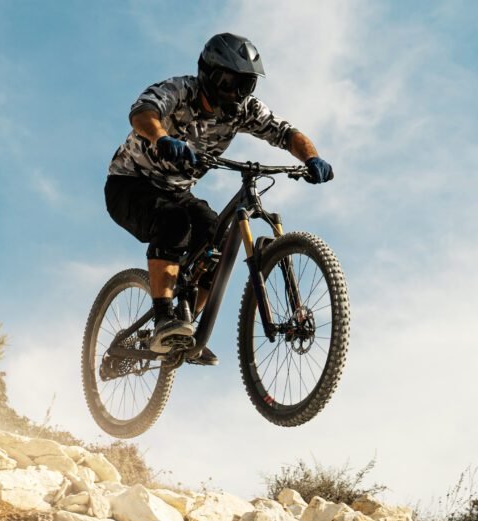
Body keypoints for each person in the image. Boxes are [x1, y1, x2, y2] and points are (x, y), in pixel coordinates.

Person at [105, 33, 333, 365]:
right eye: (230, 83)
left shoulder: (244, 111)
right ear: (209, 76)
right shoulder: (180, 91)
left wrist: (311, 157)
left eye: (246, 85)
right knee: (173, 223)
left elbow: (286, 133)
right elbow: (142, 113)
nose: (238, 93)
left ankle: (186, 330)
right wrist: (161, 137)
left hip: (176, 192)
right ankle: (164, 317)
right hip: (129, 184)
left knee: (219, 243)